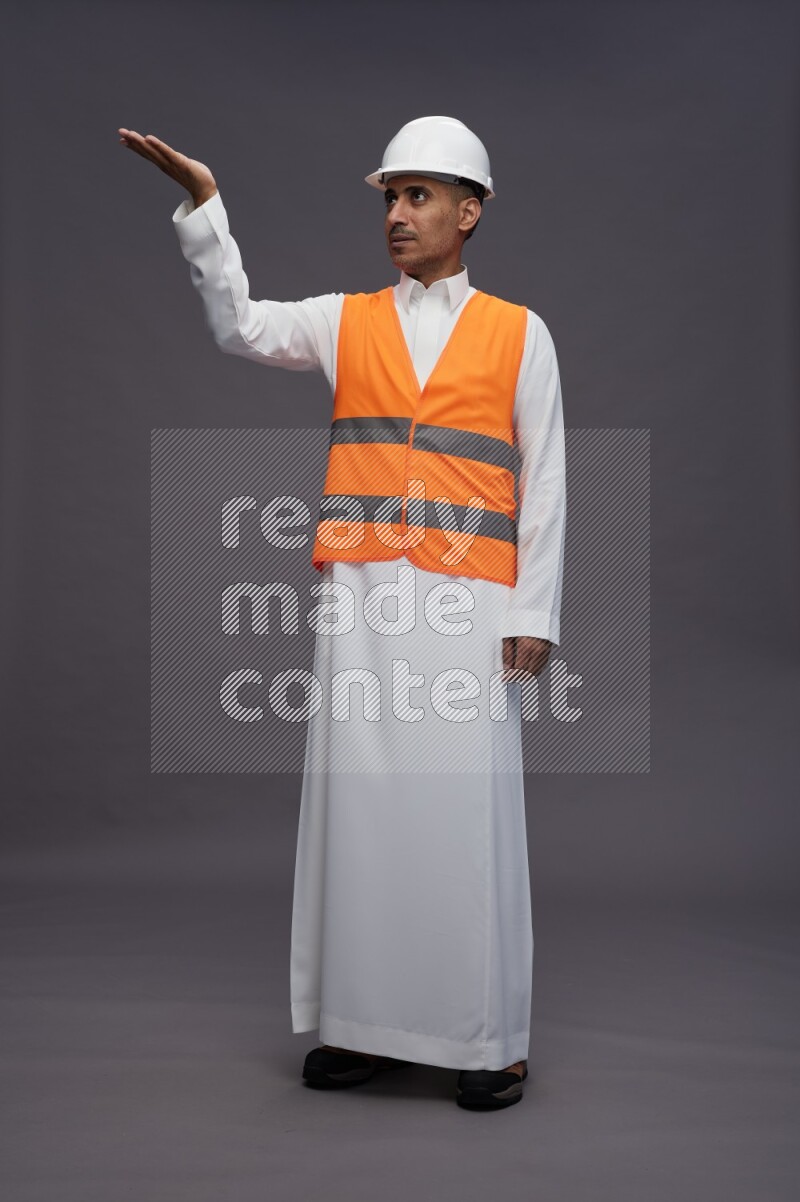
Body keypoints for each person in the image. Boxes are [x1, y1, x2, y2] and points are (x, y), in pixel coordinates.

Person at [119, 115, 566, 1110]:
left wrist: (533, 608)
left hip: (470, 603)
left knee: (464, 816)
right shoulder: (342, 319)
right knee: (360, 816)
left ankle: (487, 1038)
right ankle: (365, 1028)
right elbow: (239, 323)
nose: (396, 215)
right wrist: (203, 206)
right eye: (388, 198)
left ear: (468, 209)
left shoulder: (519, 332)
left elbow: (545, 482)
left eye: (417, 195)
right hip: (362, 599)